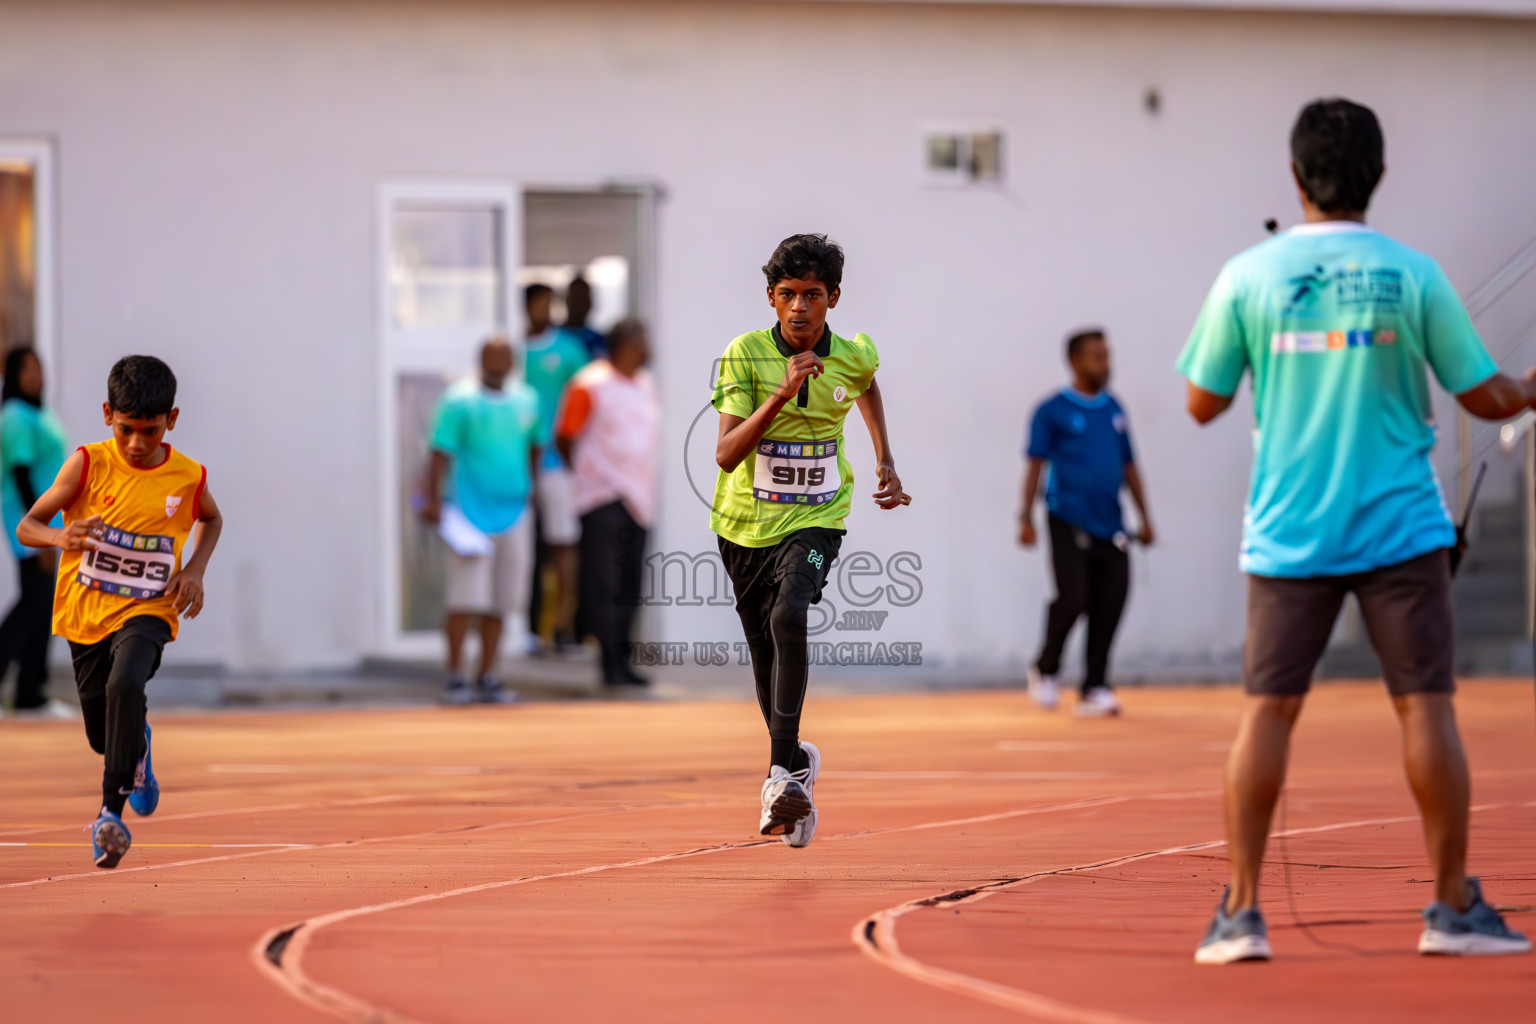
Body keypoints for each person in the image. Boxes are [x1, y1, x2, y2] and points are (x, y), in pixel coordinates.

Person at [1179, 98, 1533, 963]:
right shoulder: (1413, 274)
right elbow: (1484, 396)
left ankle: (1241, 914)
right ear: (1378, 176)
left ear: (1295, 177)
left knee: (1267, 712)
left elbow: (1202, 402)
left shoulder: (1247, 276)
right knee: (1425, 709)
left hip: (1289, 531)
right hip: (1401, 530)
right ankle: (1450, 909)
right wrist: (1530, 389)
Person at [711, 233, 910, 848]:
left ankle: (777, 778)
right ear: (771, 299)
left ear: (834, 299)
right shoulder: (744, 355)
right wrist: (780, 392)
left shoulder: (851, 356)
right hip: (744, 526)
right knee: (765, 655)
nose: (800, 307)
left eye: (814, 296)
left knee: (792, 613)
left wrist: (884, 457)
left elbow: (867, 383)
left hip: (819, 515)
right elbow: (724, 454)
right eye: (789, 295)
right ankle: (795, 761)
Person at [17, 355, 222, 868]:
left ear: (170, 421)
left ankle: (110, 814)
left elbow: (212, 520)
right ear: (108, 414)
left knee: (126, 683)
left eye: (150, 431)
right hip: (87, 614)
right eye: (127, 429)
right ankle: (138, 747)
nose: (137, 443)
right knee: (101, 735)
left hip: (150, 608)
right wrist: (60, 535)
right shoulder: (87, 464)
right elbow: (27, 526)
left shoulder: (186, 477)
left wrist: (194, 570)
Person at [1019, 329, 1154, 717]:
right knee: (1073, 597)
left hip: (1111, 523)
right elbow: (1035, 464)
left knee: (1111, 601)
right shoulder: (1052, 410)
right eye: (1096, 356)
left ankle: (1095, 686)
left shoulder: (1114, 409)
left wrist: (1145, 517)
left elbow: (1129, 466)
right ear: (1076, 362)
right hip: (1066, 517)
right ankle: (1046, 668)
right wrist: (1025, 517)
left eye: (1107, 355)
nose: (1105, 363)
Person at [422, 337, 541, 705]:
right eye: (493, 356)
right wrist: (432, 499)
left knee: (502, 600)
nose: (499, 362)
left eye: (506, 356)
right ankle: (456, 674)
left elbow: (535, 446)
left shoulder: (527, 400)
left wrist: (531, 487)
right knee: (465, 598)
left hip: (514, 512)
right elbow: (440, 452)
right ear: (480, 360)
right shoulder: (459, 401)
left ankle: (488, 674)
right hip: (468, 513)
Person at [557, 319, 661, 689]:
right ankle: (608, 665)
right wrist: (591, 473)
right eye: (642, 340)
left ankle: (624, 661)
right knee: (605, 584)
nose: (648, 347)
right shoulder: (590, 383)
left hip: (639, 497)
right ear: (625, 345)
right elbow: (565, 436)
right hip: (603, 497)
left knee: (631, 584)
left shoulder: (645, 385)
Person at [0, 347, 70, 718]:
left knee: (40, 604)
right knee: (34, 604)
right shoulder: (14, 416)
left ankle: (30, 693)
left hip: (48, 525)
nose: (35, 374)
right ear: (13, 374)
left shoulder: (37, 411)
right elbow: (22, 474)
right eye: (26, 369)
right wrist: (39, 530)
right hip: (28, 523)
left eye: (38, 367)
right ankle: (25, 689)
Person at [523, 284, 591, 654]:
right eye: (537, 303)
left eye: (548, 303)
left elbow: (585, 404)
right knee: (526, 550)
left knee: (562, 546)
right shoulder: (511, 351)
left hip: (556, 464)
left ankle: (564, 626)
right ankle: (528, 628)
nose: (543, 310)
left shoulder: (569, 350)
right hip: (514, 467)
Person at [563, 276, 607, 359]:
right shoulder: (552, 337)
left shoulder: (598, 341)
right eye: (574, 299)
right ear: (567, 301)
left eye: (582, 299)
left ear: (589, 304)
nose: (578, 306)